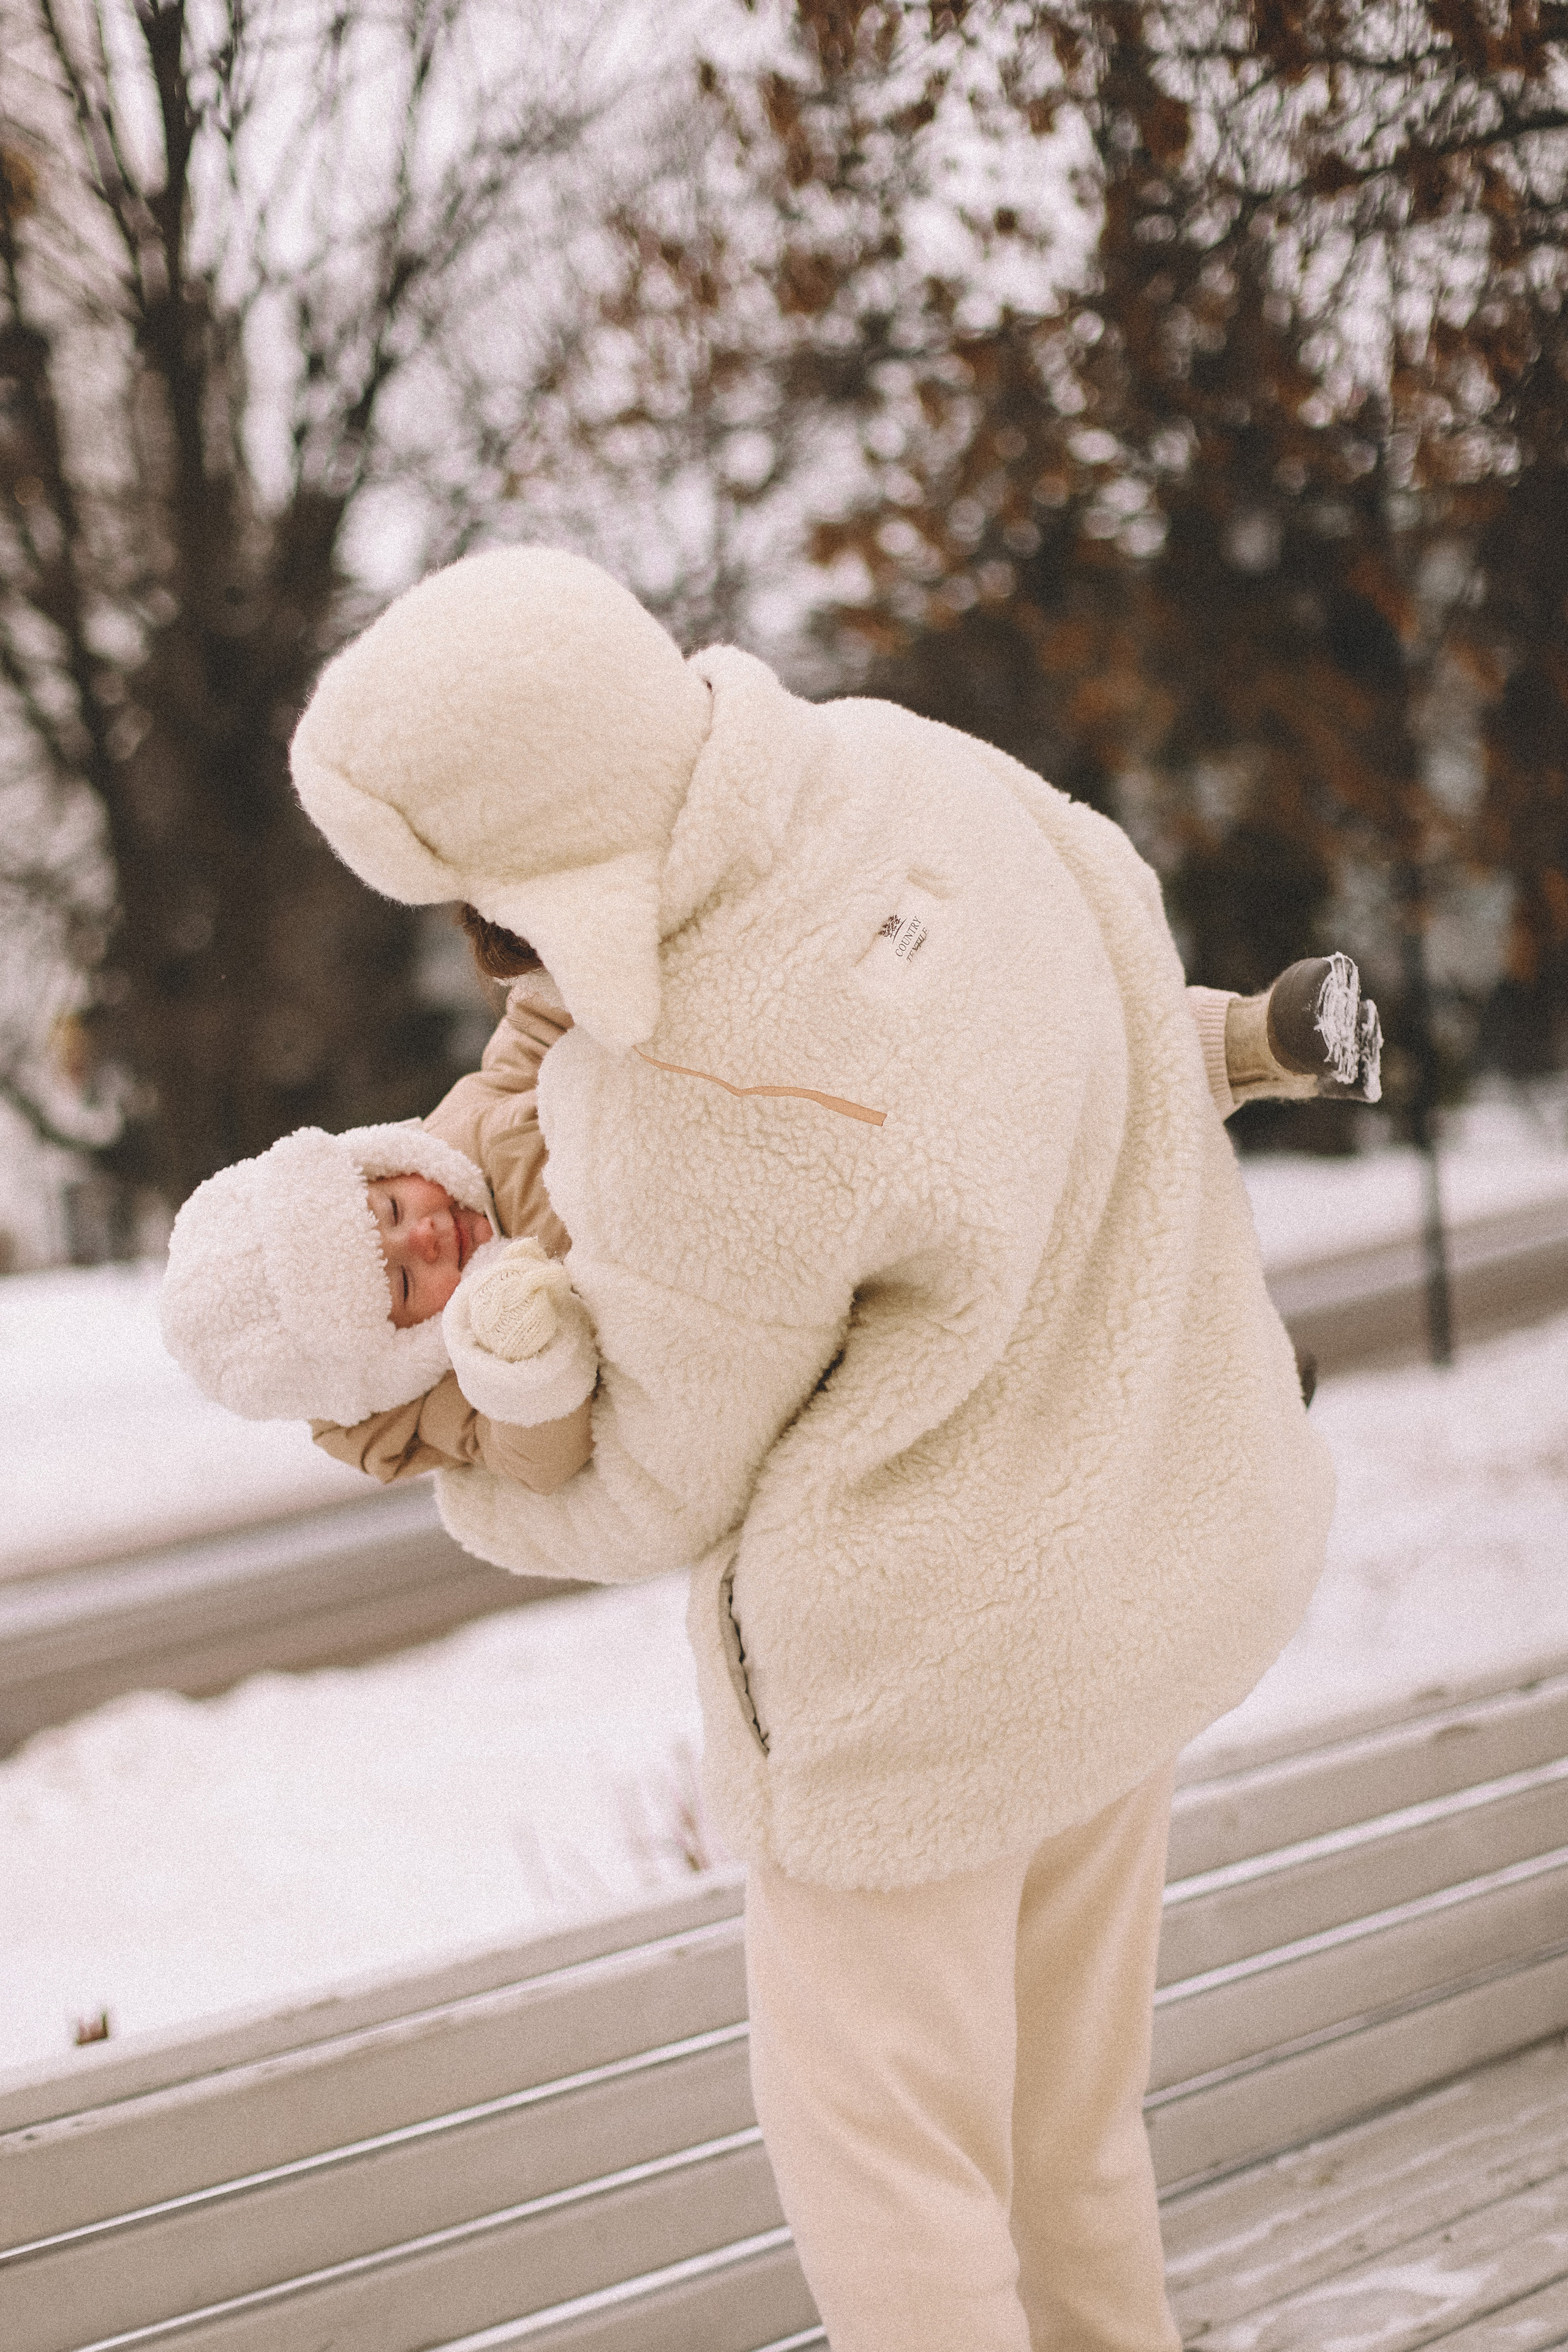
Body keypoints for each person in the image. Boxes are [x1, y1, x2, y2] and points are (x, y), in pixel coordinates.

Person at [278, 540, 1373, 2350]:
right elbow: (1112, 1013)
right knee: (1063, 2139)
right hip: (1134, 1576)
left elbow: (652, 1482)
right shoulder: (906, 761)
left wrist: (446, 1450)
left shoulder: (693, 1080)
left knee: (898, 2192)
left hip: (920, 1699)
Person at [157, 978, 598, 1493]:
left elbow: (536, 1025)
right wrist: (522, 1360)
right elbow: (538, 1461)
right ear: (401, 1349)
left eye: (392, 1209)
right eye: (406, 1284)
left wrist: (563, 956)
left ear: (379, 1166)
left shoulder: (464, 1130)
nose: (423, 1238)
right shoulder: (453, 1379)